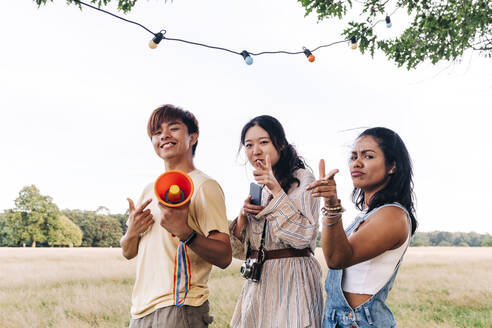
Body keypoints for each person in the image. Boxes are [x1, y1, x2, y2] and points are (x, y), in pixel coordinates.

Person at [120, 104, 232, 328]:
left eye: (173, 128)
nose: (164, 136)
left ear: (193, 137)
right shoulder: (149, 191)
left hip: (180, 307)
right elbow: (128, 252)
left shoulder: (204, 186)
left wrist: (185, 233)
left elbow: (225, 256)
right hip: (140, 311)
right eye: (157, 132)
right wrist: (131, 232)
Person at [308, 127, 417, 328]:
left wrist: (331, 204)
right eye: (353, 156)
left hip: (359, 322)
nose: (356, 162)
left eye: (368, 156)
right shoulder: (368, 214)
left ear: (392, 165)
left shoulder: (393, 215)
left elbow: (337, 258)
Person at [229, 115, 323, 328]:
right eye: (249, 145)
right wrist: (243, 217)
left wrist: (276, 189)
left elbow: (302, 237)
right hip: (259, 284)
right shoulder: (259, 188)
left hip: (293, 281)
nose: (256, 151)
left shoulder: (303, 179)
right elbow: (239, 253)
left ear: (280, 143)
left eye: (264, 142)